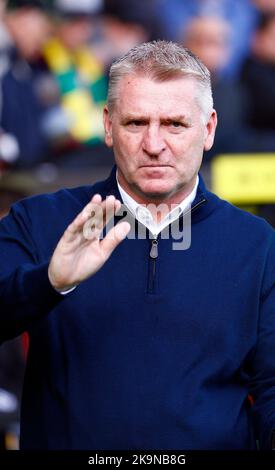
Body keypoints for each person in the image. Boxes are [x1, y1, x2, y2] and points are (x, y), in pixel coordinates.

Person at [0, 40, 275, 450]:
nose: (154, 144)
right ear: (108, 126)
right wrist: (49, 283)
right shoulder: (40, 221)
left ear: (209, 129)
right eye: (135, 123)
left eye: (175, 124)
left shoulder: (258, 245)